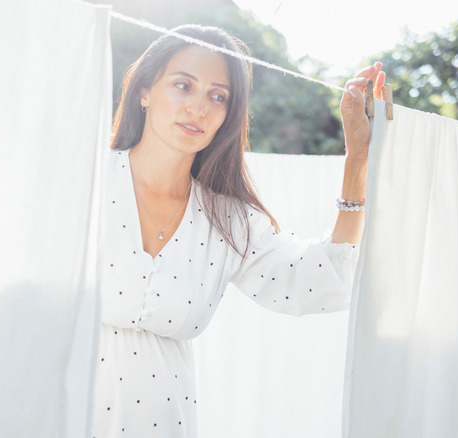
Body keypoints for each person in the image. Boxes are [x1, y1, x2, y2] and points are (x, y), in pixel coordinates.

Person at [92, 24, 385, 437]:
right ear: (145, 92)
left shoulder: (228, 220)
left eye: (217, 96)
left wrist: (357, 162)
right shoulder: (84, 180)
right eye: (183, 85)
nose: (198, 108)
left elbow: (321, 280)